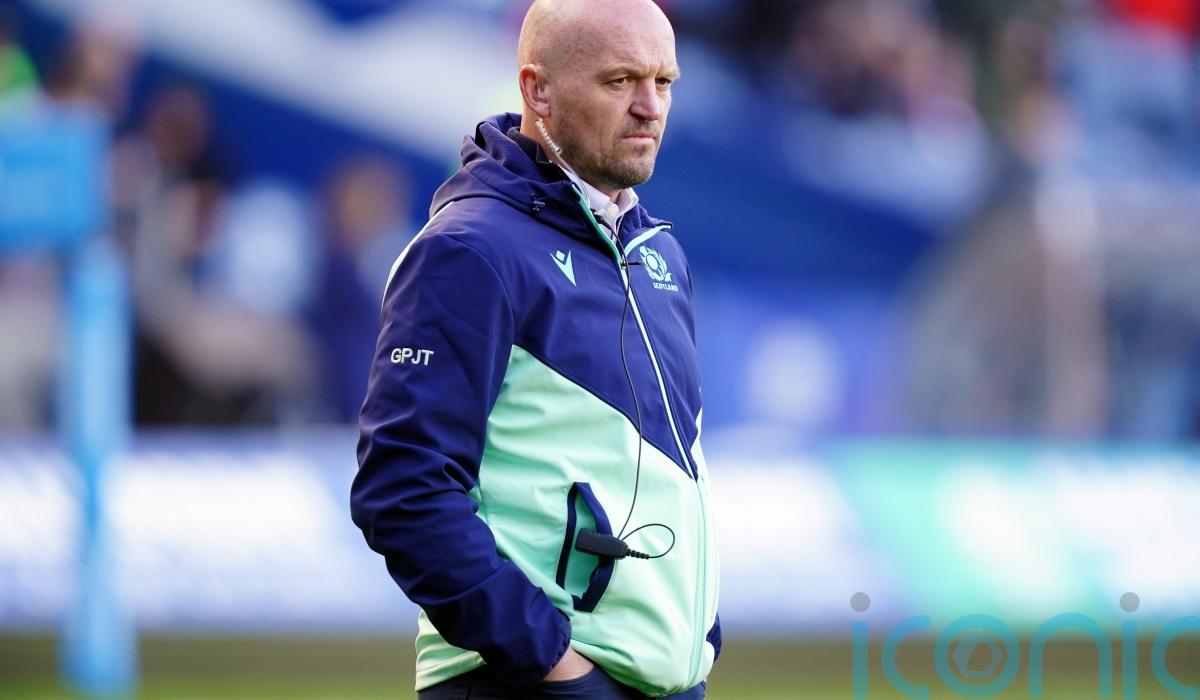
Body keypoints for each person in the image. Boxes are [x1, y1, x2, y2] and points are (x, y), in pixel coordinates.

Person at [351, 0, 719, 697]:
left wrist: (697, 632)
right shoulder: (470, 250)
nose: (649, 107)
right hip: (530, 681)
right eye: (620, 81)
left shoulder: (657, 254)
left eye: (664, 82)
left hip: (661, 680)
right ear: (537, 91)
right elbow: (401, 489)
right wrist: (550, 661)